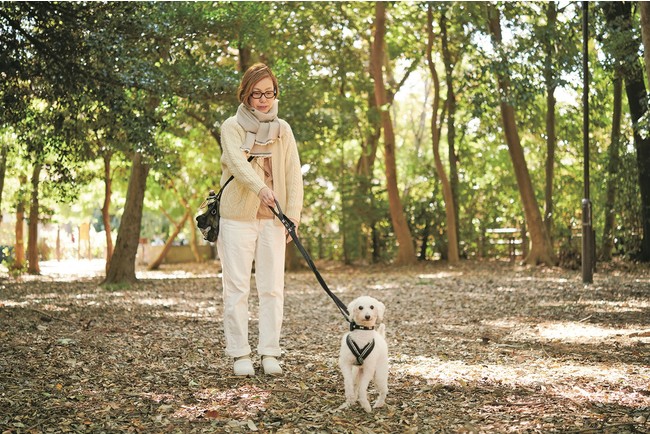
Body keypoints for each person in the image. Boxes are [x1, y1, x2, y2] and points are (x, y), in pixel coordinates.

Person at [217, 63, 304, 376]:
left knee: (272, 289)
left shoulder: (283, 130)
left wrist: (292, 217)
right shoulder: (232, 126)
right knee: (237, 288)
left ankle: (270, 352)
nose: (264, 99)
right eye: (257, 94)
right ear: (246, 95)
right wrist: (261, 188)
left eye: (269, 93)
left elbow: (294, 175)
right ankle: (240, 353)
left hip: (274, 220)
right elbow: (239, 166)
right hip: (237, 218)